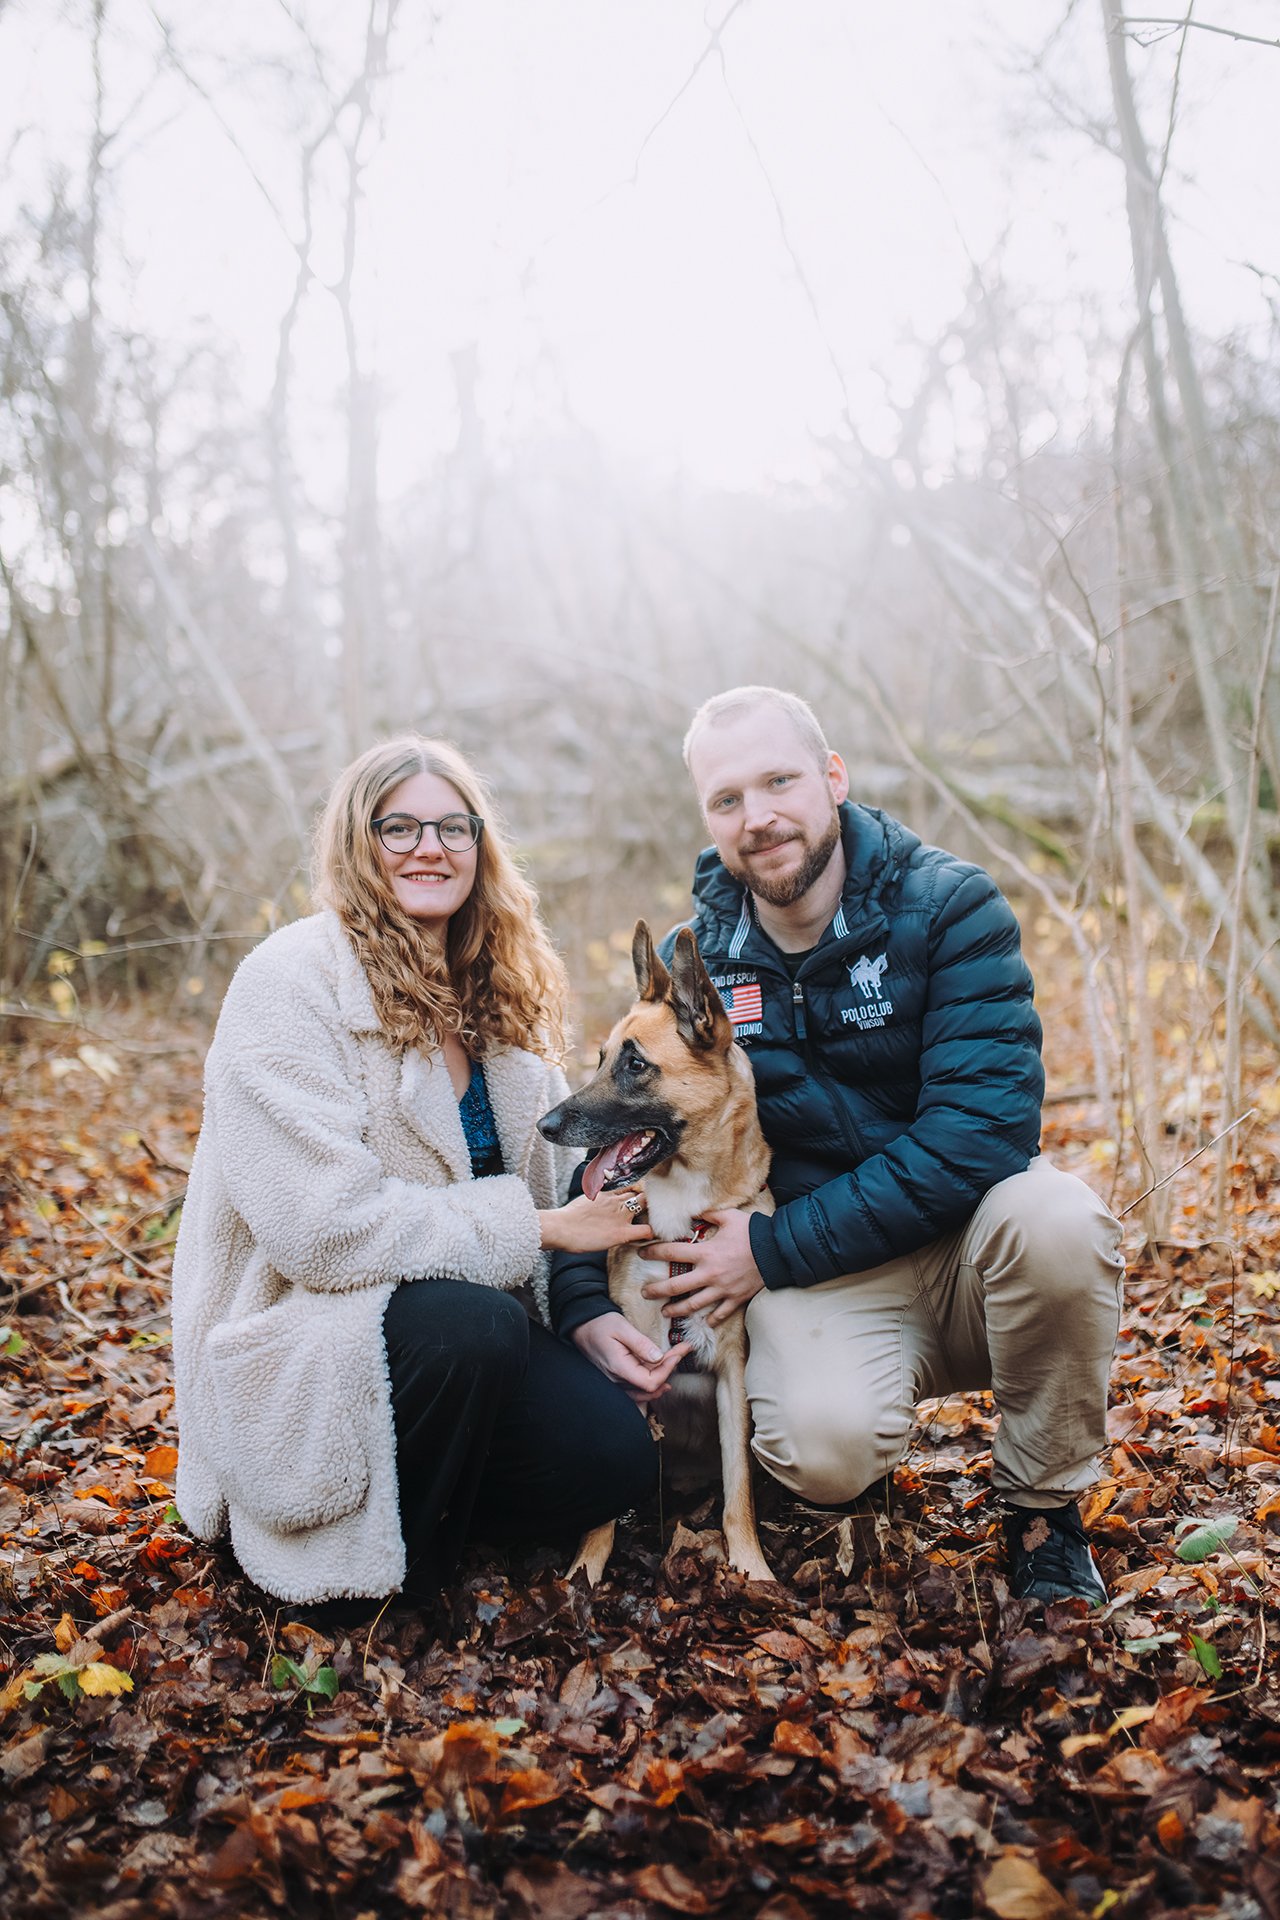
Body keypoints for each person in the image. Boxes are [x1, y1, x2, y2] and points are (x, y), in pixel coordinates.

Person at [551, 686, 1125, 1606]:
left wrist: (769, 1248)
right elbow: (633, 1137)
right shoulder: (703, 965)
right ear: (707, 816)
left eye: (780, 781)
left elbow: (979, 1139)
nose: (759, 817)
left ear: (833, 777)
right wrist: (584, 1295)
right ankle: (850, 1445)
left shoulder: (950, 908)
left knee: (1057, 1220)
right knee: (821, 1450)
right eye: (728, 799)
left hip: (963, 1246)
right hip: (830, 1278)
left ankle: (1043, 1512)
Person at [172, 736, 682, 1611]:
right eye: (397, 827)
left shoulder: (496, 987)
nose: (428, 847)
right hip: (310, 1333)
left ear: (480, 847)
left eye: (454, 826)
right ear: (355, 845)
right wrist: (540, 1230)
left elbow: (564, 1184)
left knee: (614, 1460)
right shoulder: (290, 983)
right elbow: (322, 1233)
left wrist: (589, 1312)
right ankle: (395, 1593)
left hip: (468, 1338)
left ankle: (429, 1497)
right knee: (469, 1323)